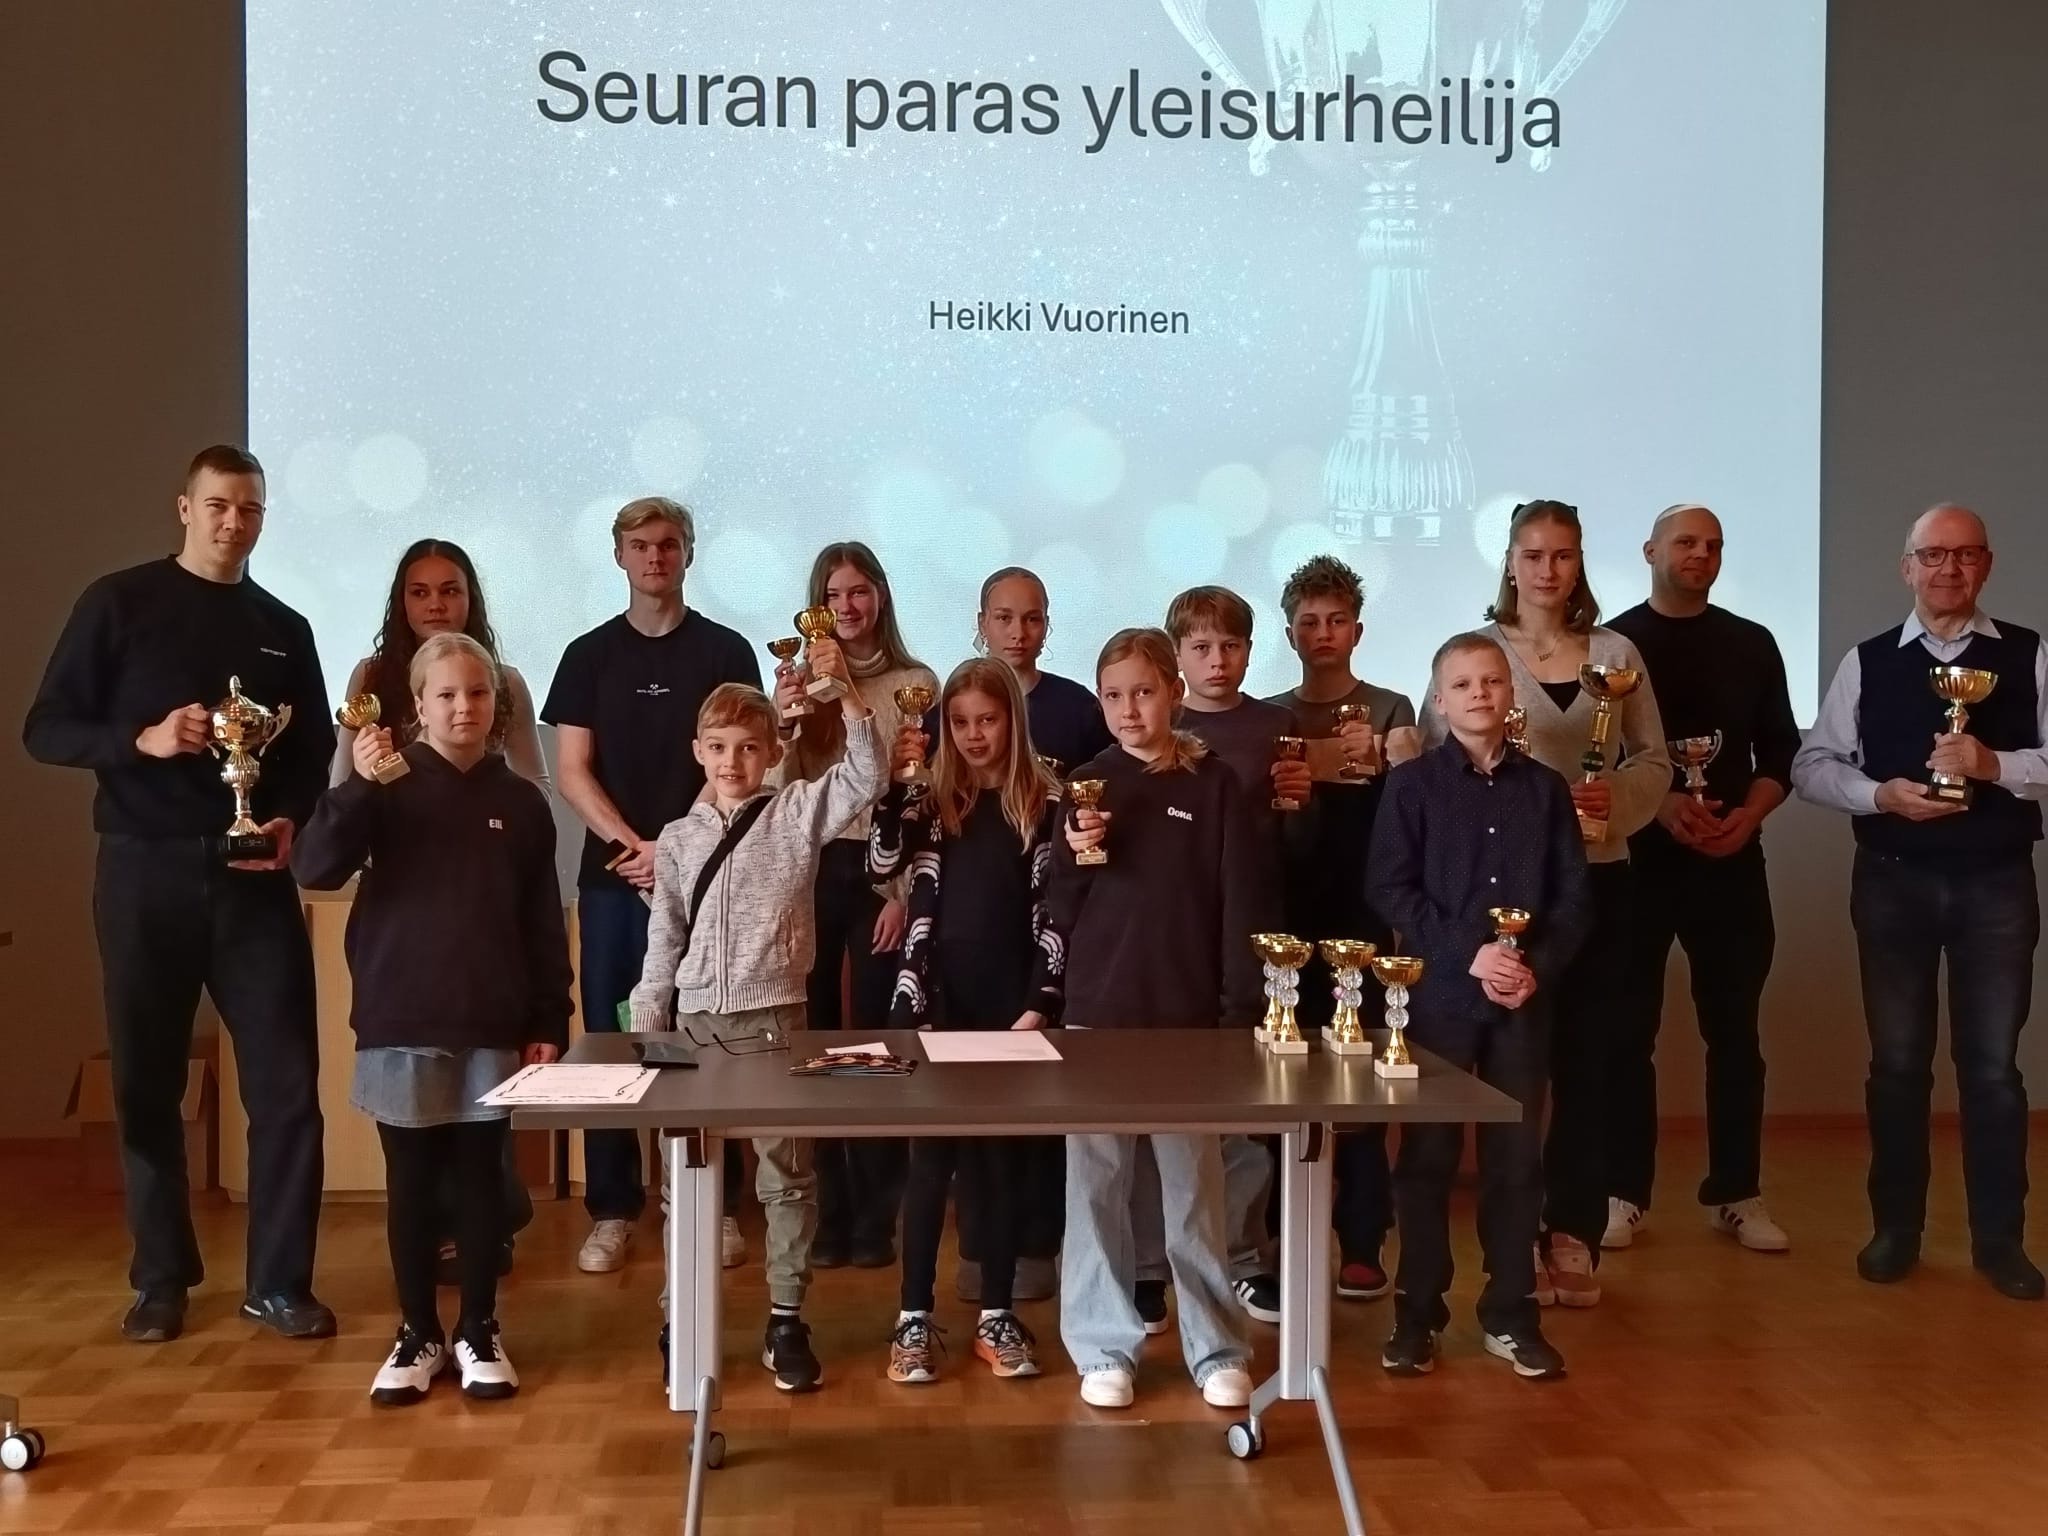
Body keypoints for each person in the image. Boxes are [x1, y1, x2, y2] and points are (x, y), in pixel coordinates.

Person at [23, 444, 335, 1344]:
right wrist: (144, 739)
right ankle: (161, 1278)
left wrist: (288, 817)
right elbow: (46, 729)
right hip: (142, 868)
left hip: (252, 881)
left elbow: (312, 749)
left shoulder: (284, 627)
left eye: (251, 508)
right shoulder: (118, 602)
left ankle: (279, 1283)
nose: (235, 522)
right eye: (219, 505)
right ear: (186, 508)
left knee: (287, 1087)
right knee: (146, 1083)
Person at [293, 633, 569, 1404]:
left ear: (496, 705)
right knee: (411, 1185)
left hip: (492, 1023)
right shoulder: (384, 786)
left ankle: (479, 1329)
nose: (463, 707)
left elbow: (541, 922)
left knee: (482, 1184)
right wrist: (358, 786)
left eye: (477, 694)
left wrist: (550, 1017)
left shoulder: (522, 802)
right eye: (445, 695)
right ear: (417, 705)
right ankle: (417, 1332)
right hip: (403, 1018)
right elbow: (315, 866)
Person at [1792, 504, 2045, 1301]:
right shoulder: (1867, 661)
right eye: (1932, 555)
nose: (1948, 569)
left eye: (1964, 555)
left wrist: (1994, 764)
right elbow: (1812, 766)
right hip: (1893, 879)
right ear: (1906, 567)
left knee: (1993, 1071)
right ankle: (1895, 1231)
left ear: (1987, 565)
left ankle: (2000, 1242)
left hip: (1997, 883)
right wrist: (1881, 795)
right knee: (1897, 1066)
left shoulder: (2029, 653)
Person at [1422, 500, 1669, 1308]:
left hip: (1599, 880)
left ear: (1579, 562)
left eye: (1563, 555)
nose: (1548, 569)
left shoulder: (1617, 654)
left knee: (1590, 1060)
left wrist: (1612, 801)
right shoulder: (1476, 656)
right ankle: (1514, 1238)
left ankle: (1573, 1230)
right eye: (1533, 555)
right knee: (1513, 1069)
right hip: (1500, 899)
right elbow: (1436, 764)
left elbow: (1655, 759)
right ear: (1510, 561)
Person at [626, 653, 888, 1392]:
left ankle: (785, 1318)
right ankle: (682, 1320)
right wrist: (651, 1001)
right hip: (693, 1025)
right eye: (718, 747)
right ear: (697, 751)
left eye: (748, 747)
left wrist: (849, 700)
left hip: (773, 1022)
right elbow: (665, 931)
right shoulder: (679, 838)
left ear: (773, 750)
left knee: (786, 1176)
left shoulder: (795, 812)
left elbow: (865, 777)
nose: (732, 761)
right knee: (686, 1182)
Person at [542, 497, 759, 1277]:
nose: (654, 557)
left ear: (688, 554)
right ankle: (612, 1209)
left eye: (668, 544)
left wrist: (676, 849)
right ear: (619, 556)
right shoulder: (587, 656)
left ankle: (709, 1203)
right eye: (639, 545)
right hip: (612, 883)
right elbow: (571, 771)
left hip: (707, 881)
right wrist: (634, 847)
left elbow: (736, 763)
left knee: (704, 1036)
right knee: (611, 1042)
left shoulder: (727, 651)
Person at [1369, 632, 1592, 1379]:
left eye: (1491, 681)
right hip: (1439, 1001)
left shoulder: (1546, 790)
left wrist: (1534, 969)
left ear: (1511, 692)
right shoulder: (1412, 786)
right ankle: (1417, 1317)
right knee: (1426, 1160)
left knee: (1517, 1161)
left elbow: (1573, 900)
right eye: (1462, 684)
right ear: (1439, 699)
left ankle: (1510, 1314)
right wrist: (1471, 951)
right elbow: (1389, 887)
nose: (1478, 694)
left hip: (1522, 1003)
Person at [331, 537, 550, 1280]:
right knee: (415, 1157)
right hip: (405, 956)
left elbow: (532, 789)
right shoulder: (373, 686)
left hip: (486, 951)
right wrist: (377, 797)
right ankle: (419, 1310)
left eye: (449, 589)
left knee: (483, 1149)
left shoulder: (506, 702)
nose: (435, 604)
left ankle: (484, 1273)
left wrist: (482, 812)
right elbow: (335, 816)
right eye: (419, 591)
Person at [1052, 627, 1258, 1412]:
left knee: (1194, 1190)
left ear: (1174, 691)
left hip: (1186, 1021)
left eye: (1143, 692)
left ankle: (1217, 1346)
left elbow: (1239, 905)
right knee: (1095, 1185)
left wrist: (1235, 1017)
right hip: (1097, 1015)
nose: (1129, 709)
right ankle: (1103, 1345)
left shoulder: (1214, 784)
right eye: (1113, 696)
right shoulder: (1086, 784)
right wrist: (1076, 851)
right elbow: (1061, 906)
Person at [1606, 505, 1799, 1254]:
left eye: (1713, 545)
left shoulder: (1753, 642)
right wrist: (1659, 807)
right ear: (1650, 550)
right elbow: (1600, 758)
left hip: (1731, 863)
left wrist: (1749, 816)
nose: (1701, 554)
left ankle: (1737, 1192)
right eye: (1686, 542)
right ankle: (1624, 1192)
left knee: (1737, 1033)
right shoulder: (1615, 647)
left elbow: (1779, 751)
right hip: (1639, 865)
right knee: (1628, 1033)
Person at [870, 657, 1063, 1384]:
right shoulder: (931, 802)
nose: (975, 735)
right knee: (930, 1164)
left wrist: (1040, 1001)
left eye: (988, 720)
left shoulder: (1046, 801)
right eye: (959, 722)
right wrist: (898, 782)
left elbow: (1059, 908)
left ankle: (997, 1312)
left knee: (999, 1165)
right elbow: (880, 862)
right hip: (935, 1004)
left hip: (1010, 1010)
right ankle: (913, 1318)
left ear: (1013, 719)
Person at [1140, 584, 1305, 1329]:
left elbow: (1297, 845)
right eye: (1201, 647)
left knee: (1241, 1108)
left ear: (1250, 650)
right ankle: (1151, 1265)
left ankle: (1243, 1258)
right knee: (1154, 1111)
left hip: (1250, 935)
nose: (1218, 659)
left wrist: (1301, 806)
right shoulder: (1155, 722)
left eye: (1231, 645)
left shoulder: (1276, 726)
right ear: (1176, 657)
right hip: (1169, 938)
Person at [952, 567, 1112, 1304]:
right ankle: (981, 1246)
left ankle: (1039, 1243)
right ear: (981, 621)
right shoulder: (950, 722)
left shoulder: (1079, 710)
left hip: (1041, 948)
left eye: (1034, 617)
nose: (1019, 631)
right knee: (970, 1116)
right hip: (964, 960)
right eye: (1004, 617)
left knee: (1039, 1108)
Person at [1263, 555, 1420, 1302]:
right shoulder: (1270, 717)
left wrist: (1385, 764)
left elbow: (1415, 812)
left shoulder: (1391, 711)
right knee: (1281, 1076)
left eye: (1336, 621)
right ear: (1289, 633)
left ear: (1357, 630)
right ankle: (1280, 1235)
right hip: (1284, 915)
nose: (1323, 633)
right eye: (1309, 622)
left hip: (1364, 915)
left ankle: (1362, 1236)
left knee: (1359, 1075)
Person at [778, 541, 937, 1269]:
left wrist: (901, 891)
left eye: (859, 591)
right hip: (811, 871)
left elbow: (920, 790)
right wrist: (787, 719)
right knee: (810, 1043)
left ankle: (877, 1216)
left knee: (874, 1047)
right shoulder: (801, 683)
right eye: (833, 595)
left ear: (881, 597)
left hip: (881, 875)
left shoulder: (916, 682)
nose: (847, 607)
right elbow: (782, 792)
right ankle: (829, 1211)